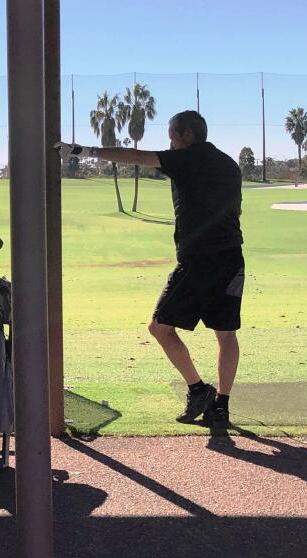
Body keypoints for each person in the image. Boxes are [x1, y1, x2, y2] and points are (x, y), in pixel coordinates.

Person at [58, 110, 244, 426]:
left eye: (172, 137)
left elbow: (134, 156)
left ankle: (198, 389)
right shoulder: (228, 164)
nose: (169, 144)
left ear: (186, 135)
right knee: (225, 334)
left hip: (198, 261)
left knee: (159, 328)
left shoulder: (187, 159)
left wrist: (81, 150)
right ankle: (221, 406)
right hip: (231, 258)